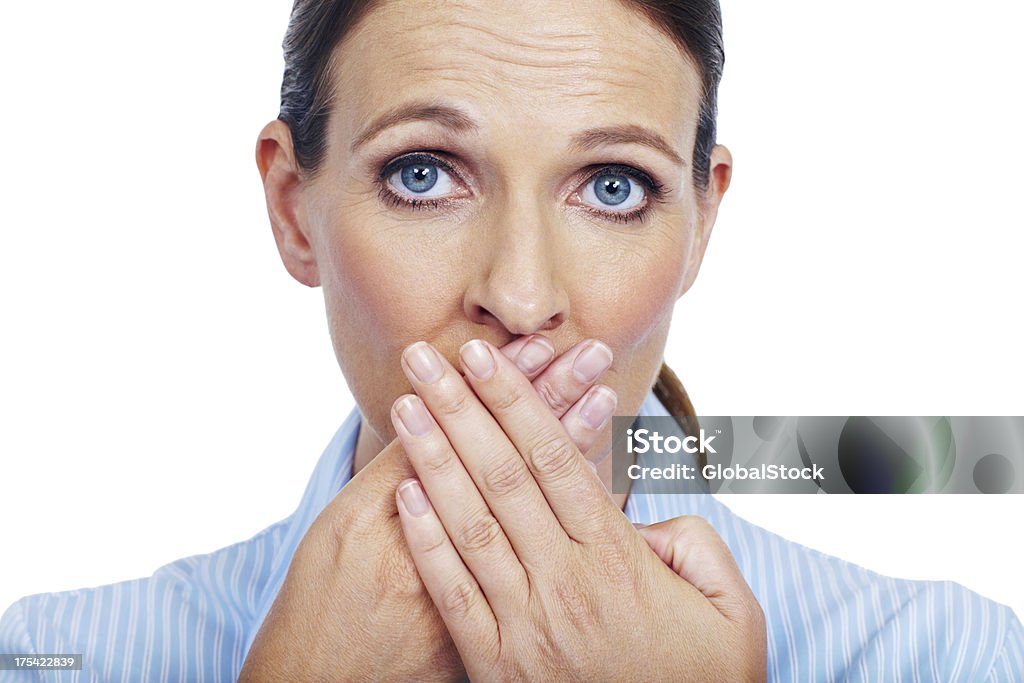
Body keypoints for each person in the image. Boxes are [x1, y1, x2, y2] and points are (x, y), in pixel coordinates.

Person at [2, 0, 1022, 680]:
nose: (521, 296)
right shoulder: (60, 654)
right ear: (291, 208)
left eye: (613, 187)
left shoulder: (934, 654)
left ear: (701, 224)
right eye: (422, 173)